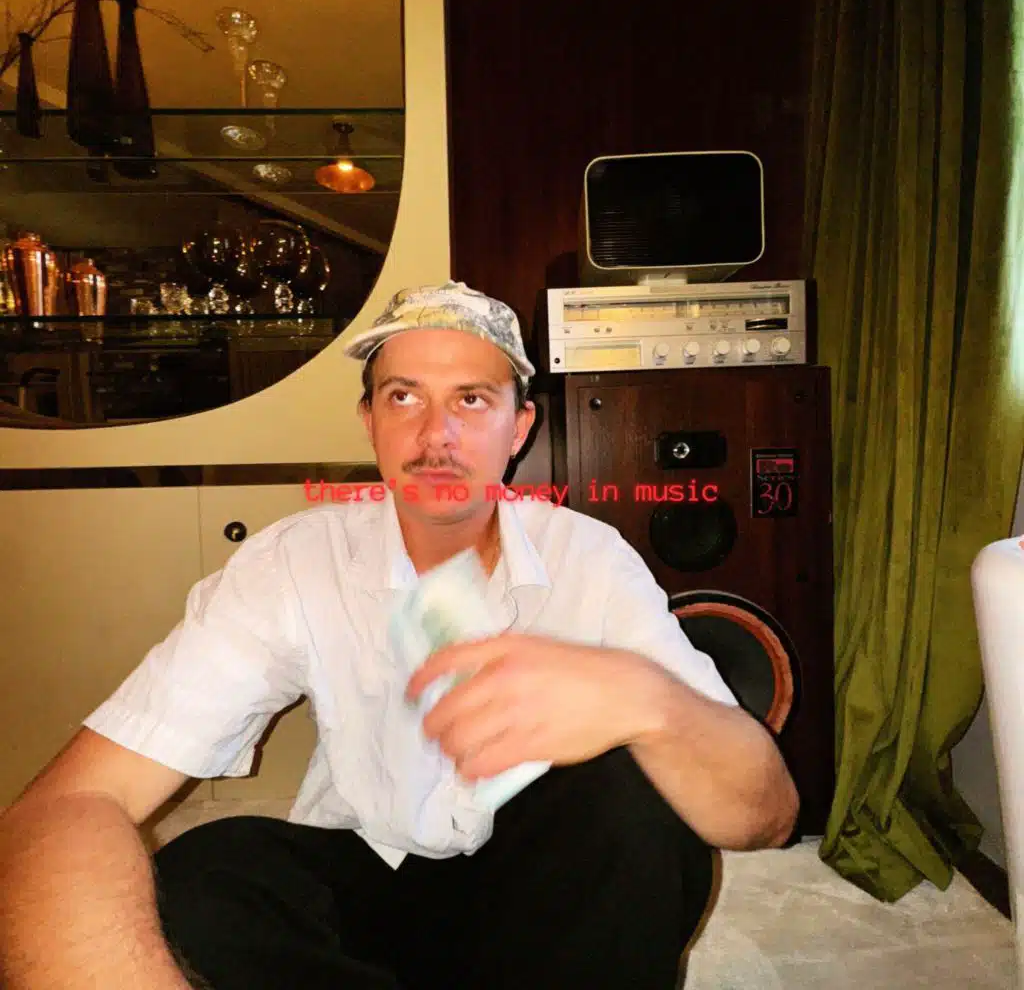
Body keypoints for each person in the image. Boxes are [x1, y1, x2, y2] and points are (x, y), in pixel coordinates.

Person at [0, 281, 799, 990]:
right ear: (370, 421)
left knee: (637, 796)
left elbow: (763, 816)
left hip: (541, 900)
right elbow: (77, 800)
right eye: (404, 397)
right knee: (199, 876)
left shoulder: (589, 557)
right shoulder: (296, 562)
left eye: (472, 400)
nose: (436, 434)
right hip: (365, 884)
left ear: (519, 427)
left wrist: (650, 702)